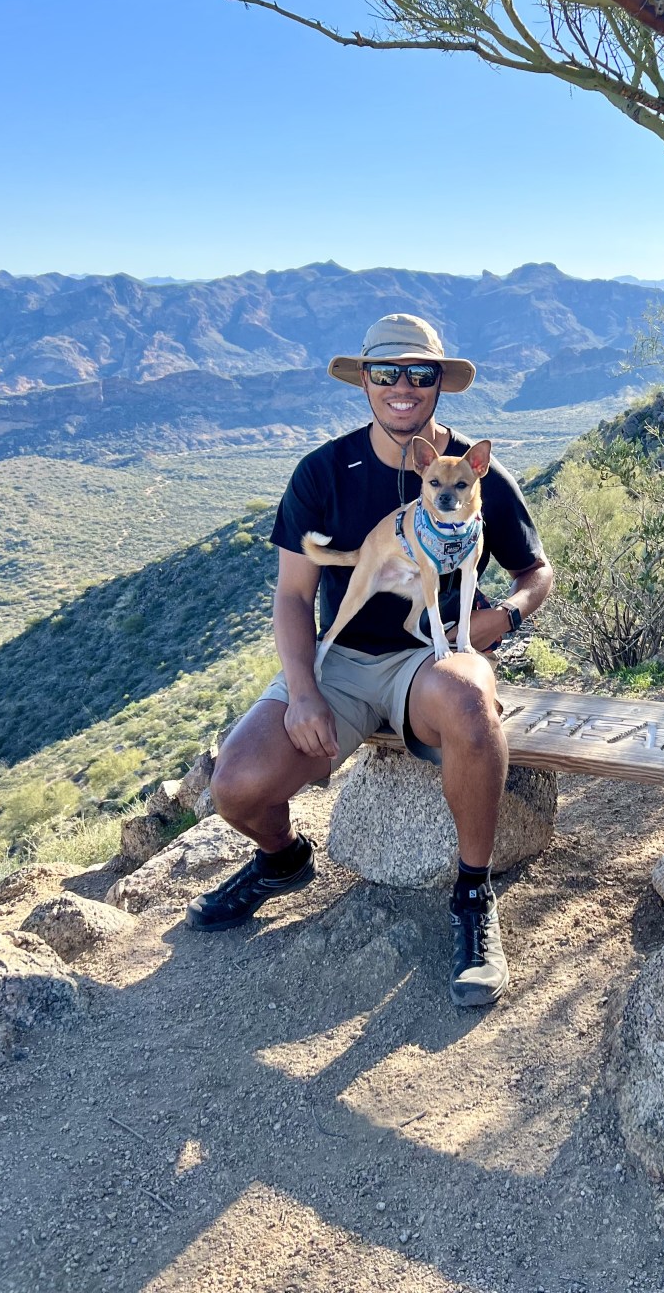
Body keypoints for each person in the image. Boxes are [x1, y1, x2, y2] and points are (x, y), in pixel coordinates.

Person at [186, 313, 554, 1007]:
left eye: (419, 373)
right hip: (343, 661)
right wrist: (302, 691)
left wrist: (503, 616)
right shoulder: (323, 472)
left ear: (440, 383)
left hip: (432, 658)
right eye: (386, 373)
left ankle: (473, 898)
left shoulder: (473, 472)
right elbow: (293, 596)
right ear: (365, 382)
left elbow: (537, 572)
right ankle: (281, 860)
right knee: (235, 786)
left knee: (471, 705)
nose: (402, 387)